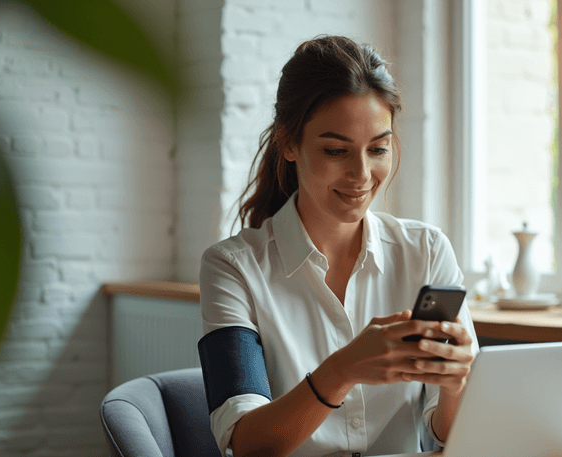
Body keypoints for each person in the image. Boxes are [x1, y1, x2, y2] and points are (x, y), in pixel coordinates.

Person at [197, 35, 479, 457]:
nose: (362, 174)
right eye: (335, 150)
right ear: (288, 143)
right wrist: (343, 369)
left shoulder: (426, 251)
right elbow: (246, 444)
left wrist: (456, 385)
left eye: (378, 148)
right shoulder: (232, 268)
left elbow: (449, 438)